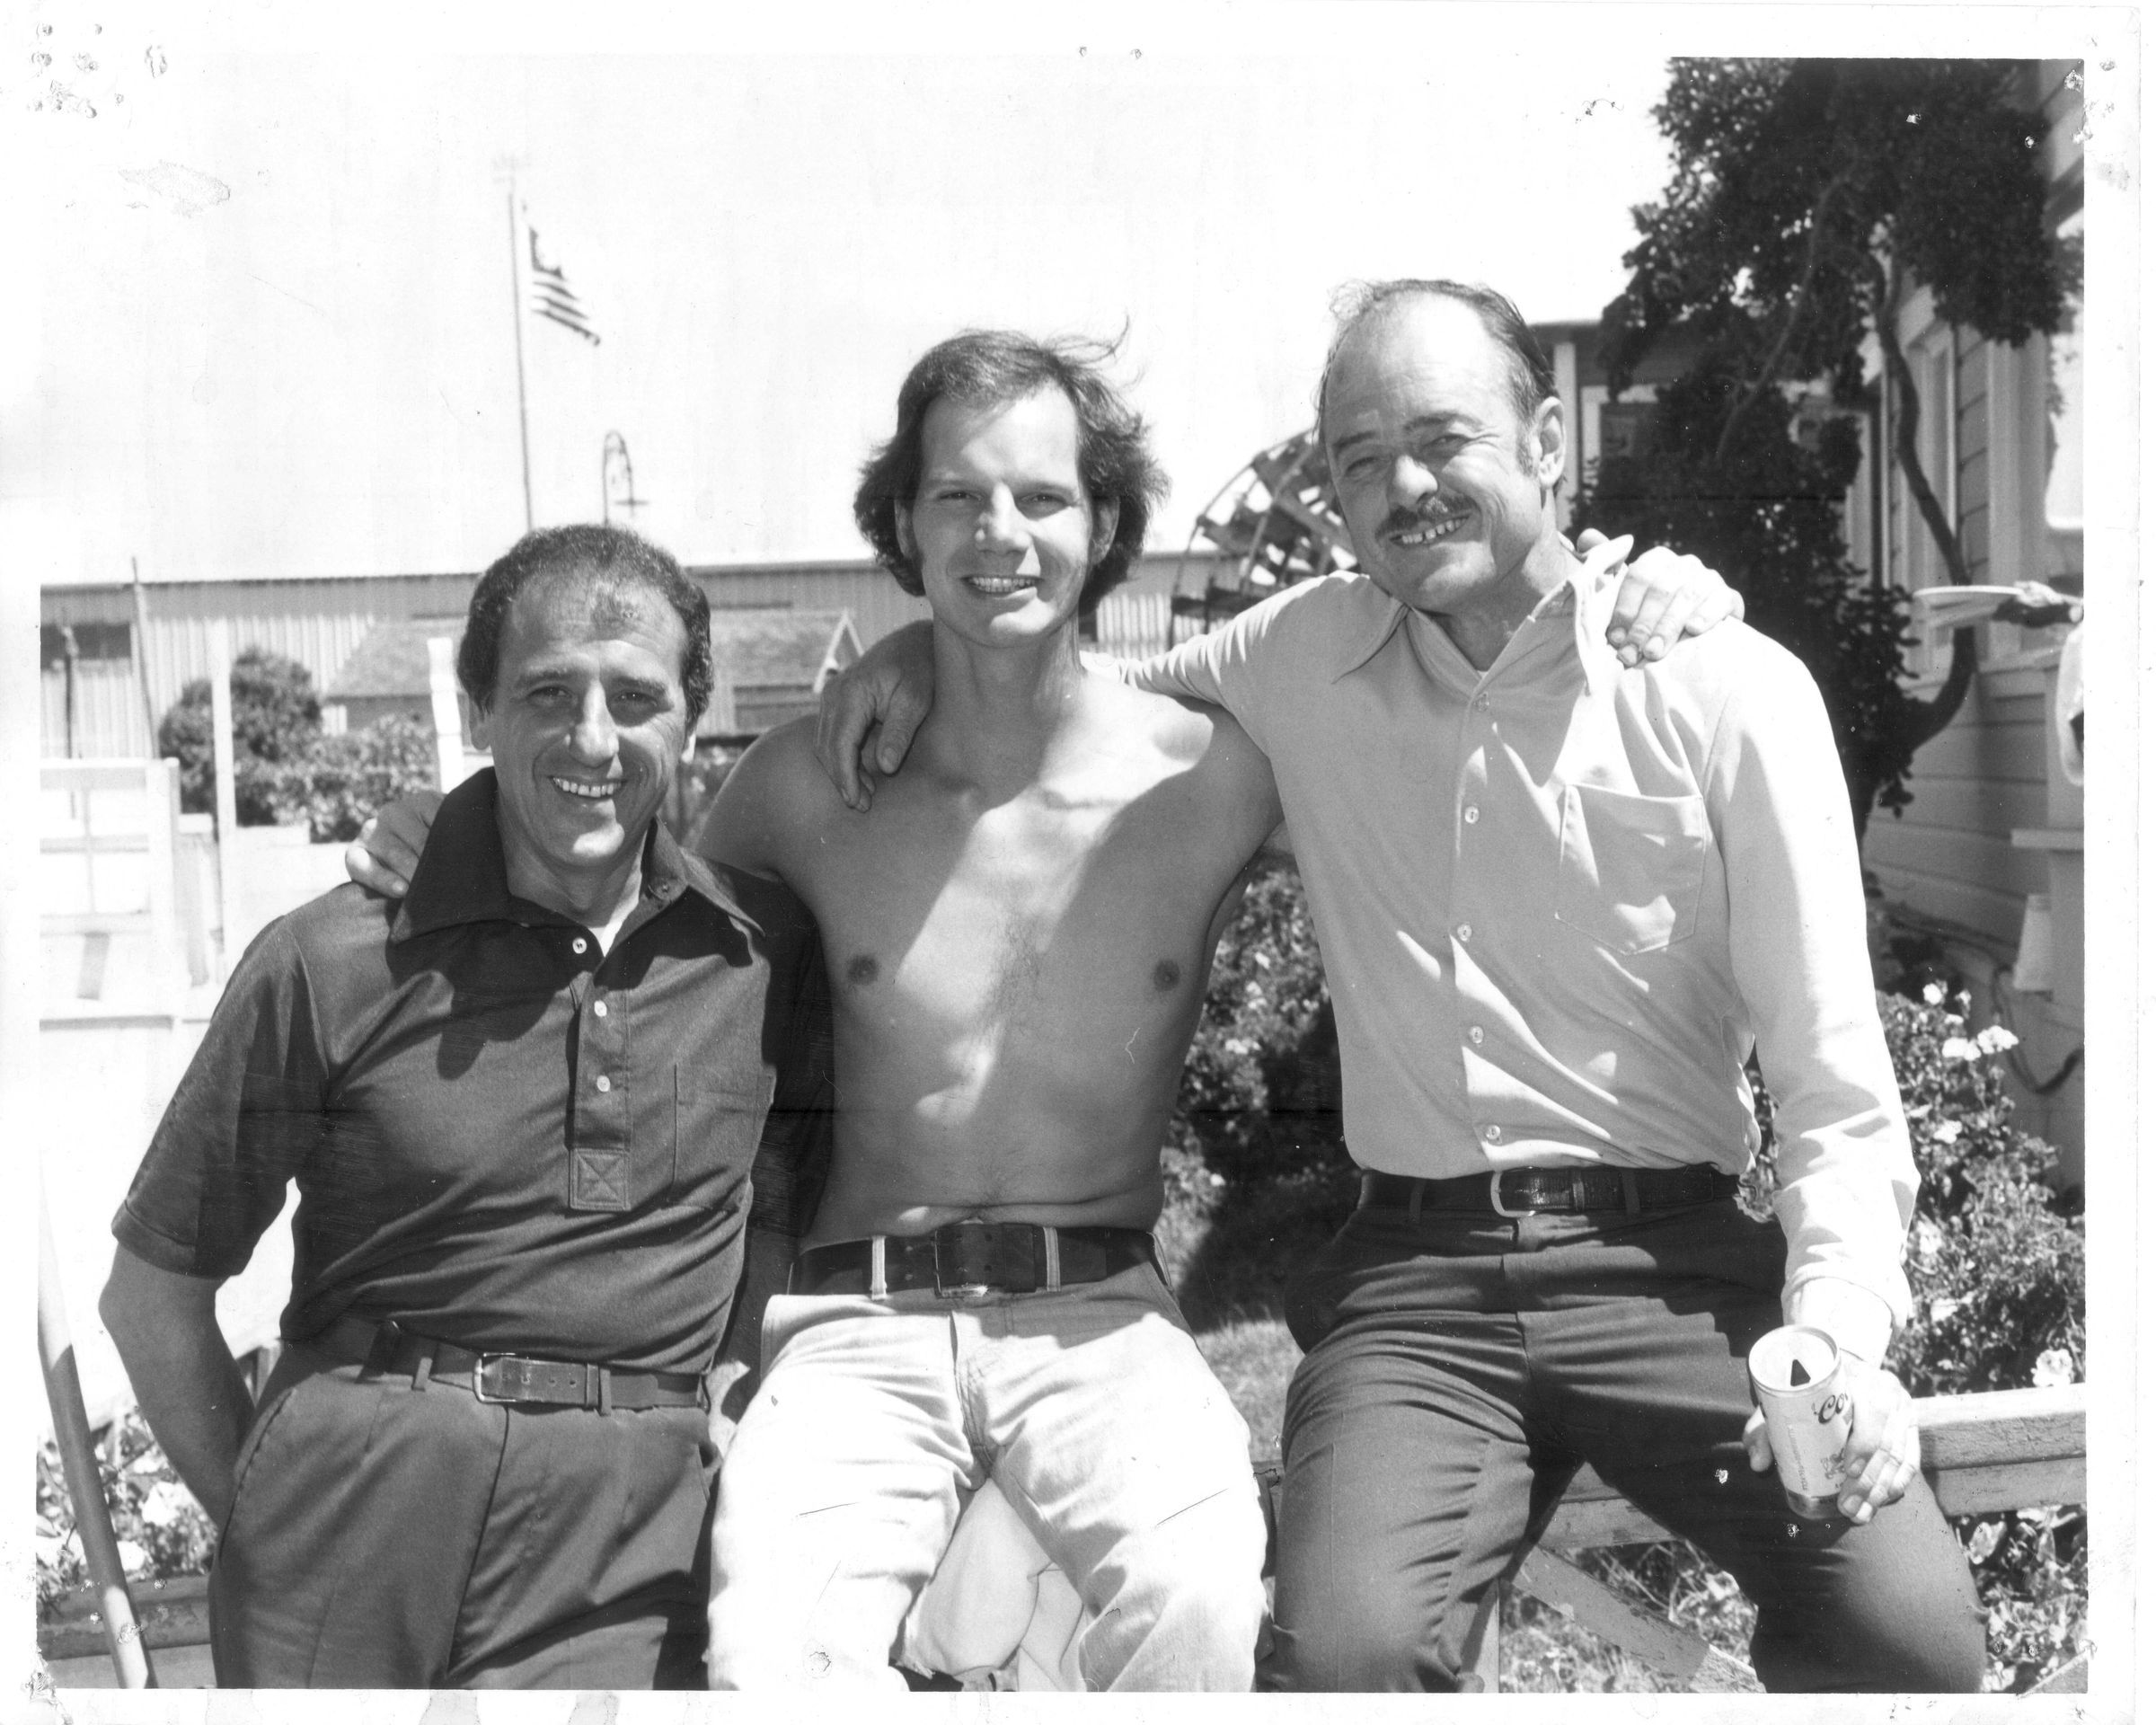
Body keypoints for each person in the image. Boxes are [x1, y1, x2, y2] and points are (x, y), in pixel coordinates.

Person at [349, 331, 1737, 1691]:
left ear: (1105, 522)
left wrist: (1638, 589)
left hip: (1104, 1319)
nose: (998, 533)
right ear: (904, 524)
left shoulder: (1213, 774)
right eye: (956, 495)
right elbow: (615, 907)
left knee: (1201, 1613)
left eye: (1040, 497)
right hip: (852, 1325)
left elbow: (1473, 740)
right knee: (774, 1665)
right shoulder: (803, 786)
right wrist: (451, 831)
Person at [817, 280, 1988, 1693]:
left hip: (1678, 1274)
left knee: (1907, 1640)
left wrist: (1839, 1334)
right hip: (1419, 1292)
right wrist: (918, 648)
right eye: (1361, 459)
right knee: (1347, 1659)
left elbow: (1833, 1084)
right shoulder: (1296, 654)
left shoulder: (1722, 685)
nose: (1405, 487)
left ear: (1545, 443)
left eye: (1443, 439)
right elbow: (1067, 699)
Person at [100, 524, 830, 1689]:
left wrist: (735, 1408)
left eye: (636, 697)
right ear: (479, 709)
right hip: (351, 1504)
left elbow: (781, 1231)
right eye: (548, 692)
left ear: (693, 717)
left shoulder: (767, 956)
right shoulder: (328, 958)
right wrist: (266, 1522)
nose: (593, 738)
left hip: (634, 1534)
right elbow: (152, 1295)